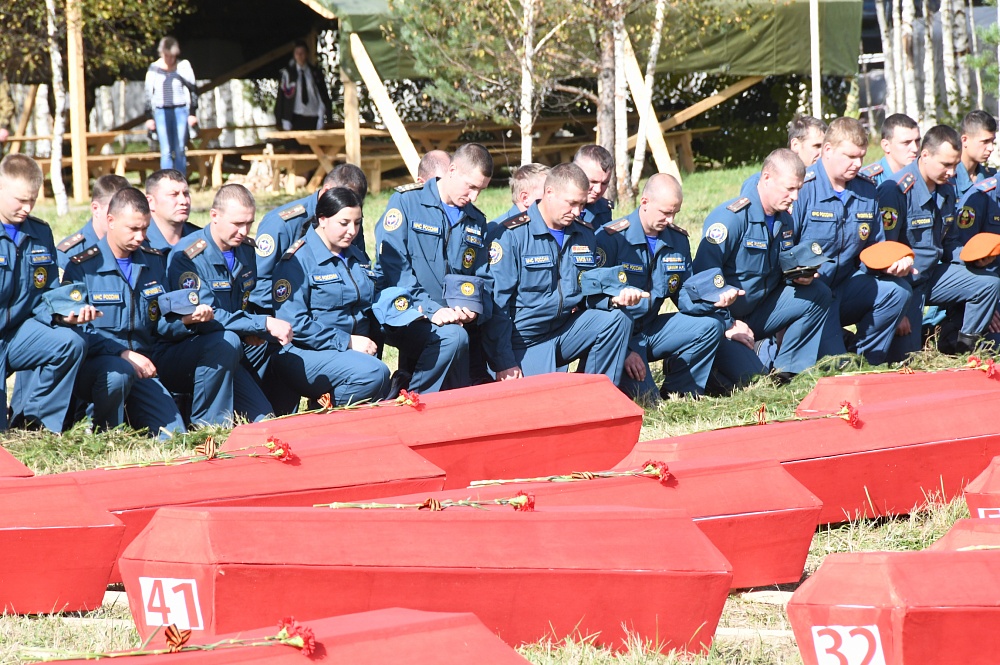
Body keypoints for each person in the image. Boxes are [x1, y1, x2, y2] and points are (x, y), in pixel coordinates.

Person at [63, 188, 228, 436]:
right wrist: (122, 353)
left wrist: (186, 321)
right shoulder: (82, 267)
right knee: (117, 376)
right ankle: (104, 432)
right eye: (133, 229)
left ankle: (132, 417)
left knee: (173, 436)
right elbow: (76, 333)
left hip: (144, 366)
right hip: (100, 367)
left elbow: (160, 323)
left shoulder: (153, 262)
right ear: (111, 221)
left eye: (145, 229)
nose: (140, 237)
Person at [375, 143, 520, 393]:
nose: (474, 196)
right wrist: (432, 310)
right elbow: (395, 268)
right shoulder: (407, 202)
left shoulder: (475, 220)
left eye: (481, 190)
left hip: (455, 320)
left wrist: (472, 309)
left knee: (467, 363)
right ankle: (411, 398)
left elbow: (482, 278)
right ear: (452, 170)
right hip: (409, 312)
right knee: (454, 338)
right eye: (471, 186)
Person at [595, 174, 739, 399]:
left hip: (651, 329)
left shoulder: (677, 240)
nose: (670, 220)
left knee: (711, 325)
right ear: (645, 202)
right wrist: (624, 351)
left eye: (675, 213)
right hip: (620, 336)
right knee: (648, 401)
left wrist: (713, 302)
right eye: (665, 212)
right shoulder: (611, 238)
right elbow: (595, 302)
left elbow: (685, 295)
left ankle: (680, 392)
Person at [693, 149, 833, 380]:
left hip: (759, 312)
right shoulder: (731, 219)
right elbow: (702, 282)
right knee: (752, 378)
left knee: (818, 293)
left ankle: (789, 373)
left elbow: (778, 269)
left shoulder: (784, 219)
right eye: (790, 188)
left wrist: (799, 275)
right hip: (724, 321)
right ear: (767, 178)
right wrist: (728, 324)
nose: (795, 197)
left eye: (799, 189)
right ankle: (695, 361)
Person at [490, 163, 634, 383]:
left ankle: (597, 392)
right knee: (544, 401)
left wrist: (612, 299)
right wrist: (504, 361)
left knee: (617, 319)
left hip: (565, 330)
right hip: (524, 341)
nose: (577, 211)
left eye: (581, 204)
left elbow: (588, 288)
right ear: (549, 193)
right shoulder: (512, 235)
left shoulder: (584, 234)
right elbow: (497, 306)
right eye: (572, 203)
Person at [792, 117, 912, 365]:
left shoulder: (866, 190)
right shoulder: (803, 187)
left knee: (897, 291)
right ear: (827, 150)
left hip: (846, 288)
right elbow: (784, 250)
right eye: (850, 157)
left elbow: (875, 249)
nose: (858, 164)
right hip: (810, 294)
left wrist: (892, 264)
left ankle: (867, 359)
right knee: (835, 366)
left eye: (861, 157)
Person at [877, 125, 1000, 358]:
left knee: (988, 283)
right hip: (905, 283)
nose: (952, 172)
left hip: (933, 275)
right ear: (925, 155)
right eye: (946, 165)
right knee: (905, 358)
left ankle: (965, 349)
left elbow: (950, 242)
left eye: (955, 165)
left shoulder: (947, 189)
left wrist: (974, 259)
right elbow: (883, 254)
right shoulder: (895, 191)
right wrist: (896, 310)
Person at [168, 184, 285, 420]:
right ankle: (209, 425)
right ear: (214, 216)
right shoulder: (189, 256)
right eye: (237, 223)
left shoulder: (246, 250)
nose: (243, 231)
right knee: (231, 339)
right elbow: (209, 317)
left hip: (230, 347)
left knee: (263, 419)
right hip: (189, 347)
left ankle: (279, 408)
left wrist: (258, 330)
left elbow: (245, 303)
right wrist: (260, 323)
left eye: (249, 223)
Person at [271, 187, 390, 405]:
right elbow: (294, 324)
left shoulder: (355, 255)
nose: (352, 231)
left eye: (357, 223)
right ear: (322, 219)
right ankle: (324, 411)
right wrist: (347, 341)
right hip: (306, 352)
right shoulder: (297, 261)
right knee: (374, 373)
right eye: (344, 223)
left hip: (351, 350)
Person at [0, 155, 88, 432]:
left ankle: (34, 423)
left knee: (70, 342)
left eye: (33, 200)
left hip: (18, 334)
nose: (27, 208)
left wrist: (63, 314)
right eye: (20, 200)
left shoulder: (40, 232)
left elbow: (47, 292)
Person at [252, 163, 369, 314]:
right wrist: (309, 298)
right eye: (344, 199)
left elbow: (360, 268)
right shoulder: (282, 224)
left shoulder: (349, 219)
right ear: (326, 190)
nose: (352, 230)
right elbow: (259, 285)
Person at [144, 37, 198, 175]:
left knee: (180, 149)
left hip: (181, 110)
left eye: (172, 56)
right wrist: (149, 116)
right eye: (167, 56)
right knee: (166, 150)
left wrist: (192, 113)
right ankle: (166, 180)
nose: (169, 59)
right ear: (162, 53)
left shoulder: (183, 66)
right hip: (161, 112)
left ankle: (181, 179)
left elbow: (193, 89)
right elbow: (148, 93)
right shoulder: (154, 68)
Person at [56, 174, 131, 269]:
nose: (123, 218)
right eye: (116, 211)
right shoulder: (69, 254)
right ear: (96, 209)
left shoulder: (139, 245)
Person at [741, 115, 828, 195]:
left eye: (824, 147)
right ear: (795, 145)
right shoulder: (762, 183)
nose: (823, 152)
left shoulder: (828, 182)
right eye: (817, 146)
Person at [274, 40, 332, 132]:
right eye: (297, 53)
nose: (300, 55)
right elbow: (281, 98)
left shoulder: (315, 73)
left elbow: (323, 95)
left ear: (307, 54)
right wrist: (281, 119)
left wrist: (326, 117)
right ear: (294, 55)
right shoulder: (288, 74)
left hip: (313, 116)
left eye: (302, 53)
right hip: (295, 117)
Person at [144, 169, 200, 261]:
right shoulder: (138, 242)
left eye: (186, 194)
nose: (183, 201)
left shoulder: (199, 239)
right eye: (174, 195)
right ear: (150, 202)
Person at [859, 113, 921, 186]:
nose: (915, 149)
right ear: (886, 146)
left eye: (917, 141)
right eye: (906, 143)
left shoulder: (924, 175)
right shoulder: (866, 181)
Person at [954, 110, 997, 197]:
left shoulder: (991, 179)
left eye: (992, 141)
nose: (991, 148)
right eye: (985, 141)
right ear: (965, 140)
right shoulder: (948, 179)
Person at [573, 145, 615, 227]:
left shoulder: (603, 209)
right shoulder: (555, 206)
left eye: (604, 183)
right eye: (593, 181)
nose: (598, 190)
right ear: (575, 173)